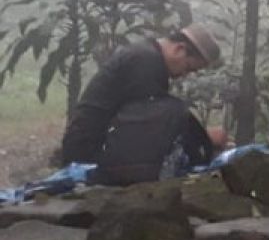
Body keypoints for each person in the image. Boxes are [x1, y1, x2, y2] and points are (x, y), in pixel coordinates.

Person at [60, 25, 230, 183]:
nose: (185, 75)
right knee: (174, 110)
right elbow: (154, 123)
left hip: (97, 144)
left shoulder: (147, 56)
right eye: (188, 68)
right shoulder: (145, 61)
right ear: (180, 49)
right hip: (88, 151)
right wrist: (204, 138)